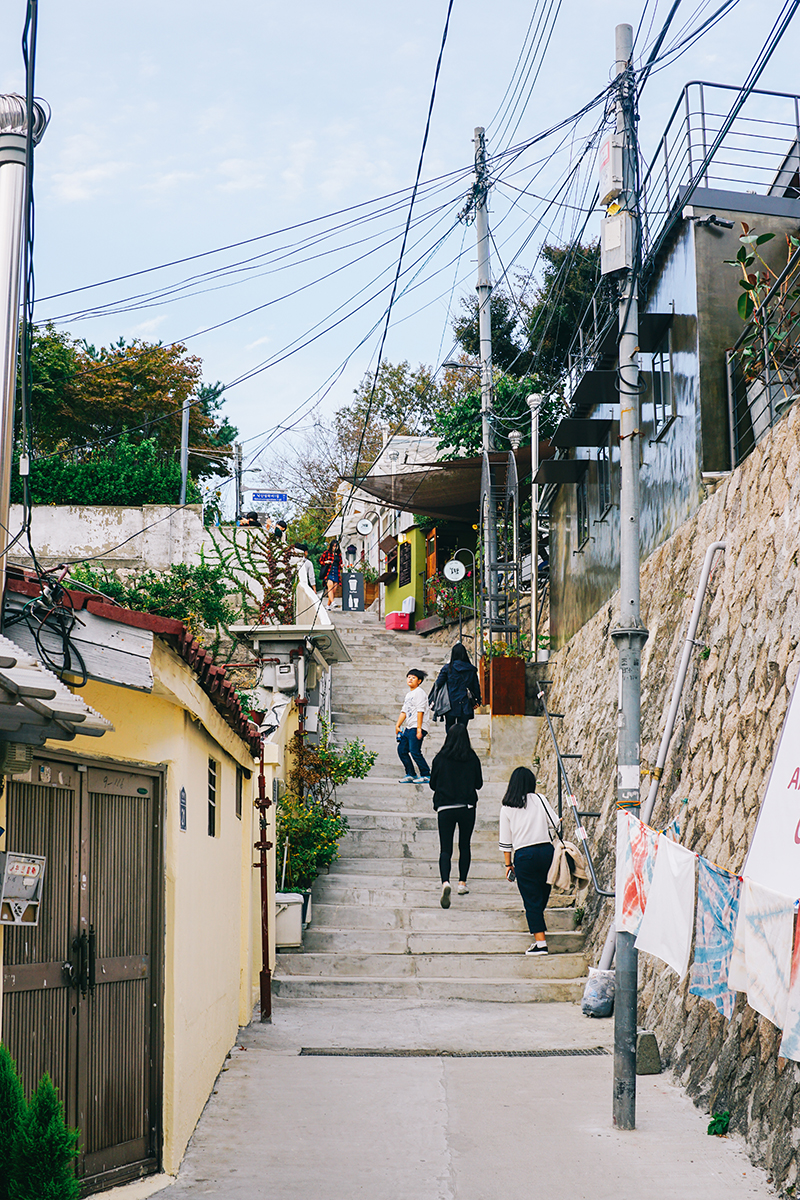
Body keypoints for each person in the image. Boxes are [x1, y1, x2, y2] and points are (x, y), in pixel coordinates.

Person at [499, 766, 560, 955]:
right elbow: (555, 822)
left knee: (531, 900)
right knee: (542, 893)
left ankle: (540, 943)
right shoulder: (540, 799)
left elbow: (506, 841)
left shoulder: (507, 807)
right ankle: (538, 924)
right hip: (546, 851)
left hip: (524, 855)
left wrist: (509, 865)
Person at [429, 723, 483, 909]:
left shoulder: (440, 758)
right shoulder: (472, 758)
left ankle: (445, 882)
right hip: (466, 807)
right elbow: (479, 784)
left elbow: (432, 784)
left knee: (445, 848)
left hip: (445, 808)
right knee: (464, 845)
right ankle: (462, 883)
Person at [433, 643, 482, 731]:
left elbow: (438, 683)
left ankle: (451, 744)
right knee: (462, 730)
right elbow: (476, 687)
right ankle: (460, 744)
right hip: (465, 704)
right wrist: (478, 700)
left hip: (450, 704)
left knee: (449, 728)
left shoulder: (447, 668)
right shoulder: (471, 669)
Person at [395, 669, 430, 784]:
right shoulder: (409, 694)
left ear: (419, 681)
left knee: (415, 751)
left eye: (413, 678)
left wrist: (419, 729)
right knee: (402, 750)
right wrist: (398, 725)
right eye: (409, 677)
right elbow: (404, 711)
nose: (410, 679)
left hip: (417, 726)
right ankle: (411, 774)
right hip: (409, 727)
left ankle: (426, 774)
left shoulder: (419, 692)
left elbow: (420, 711)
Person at [319, 538, 343, 607]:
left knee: (334, 590)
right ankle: (333, 602)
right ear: (331, 546)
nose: (335, 547)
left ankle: (328, 605)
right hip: (328, 572)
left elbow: (340, 564)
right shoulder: (326, 553)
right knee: (330, 587)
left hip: (336, 572)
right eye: (334, 546)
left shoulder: (339, 555)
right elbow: (320, 561)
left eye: (337, 546)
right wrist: (325, 562)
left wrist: (341, 566)